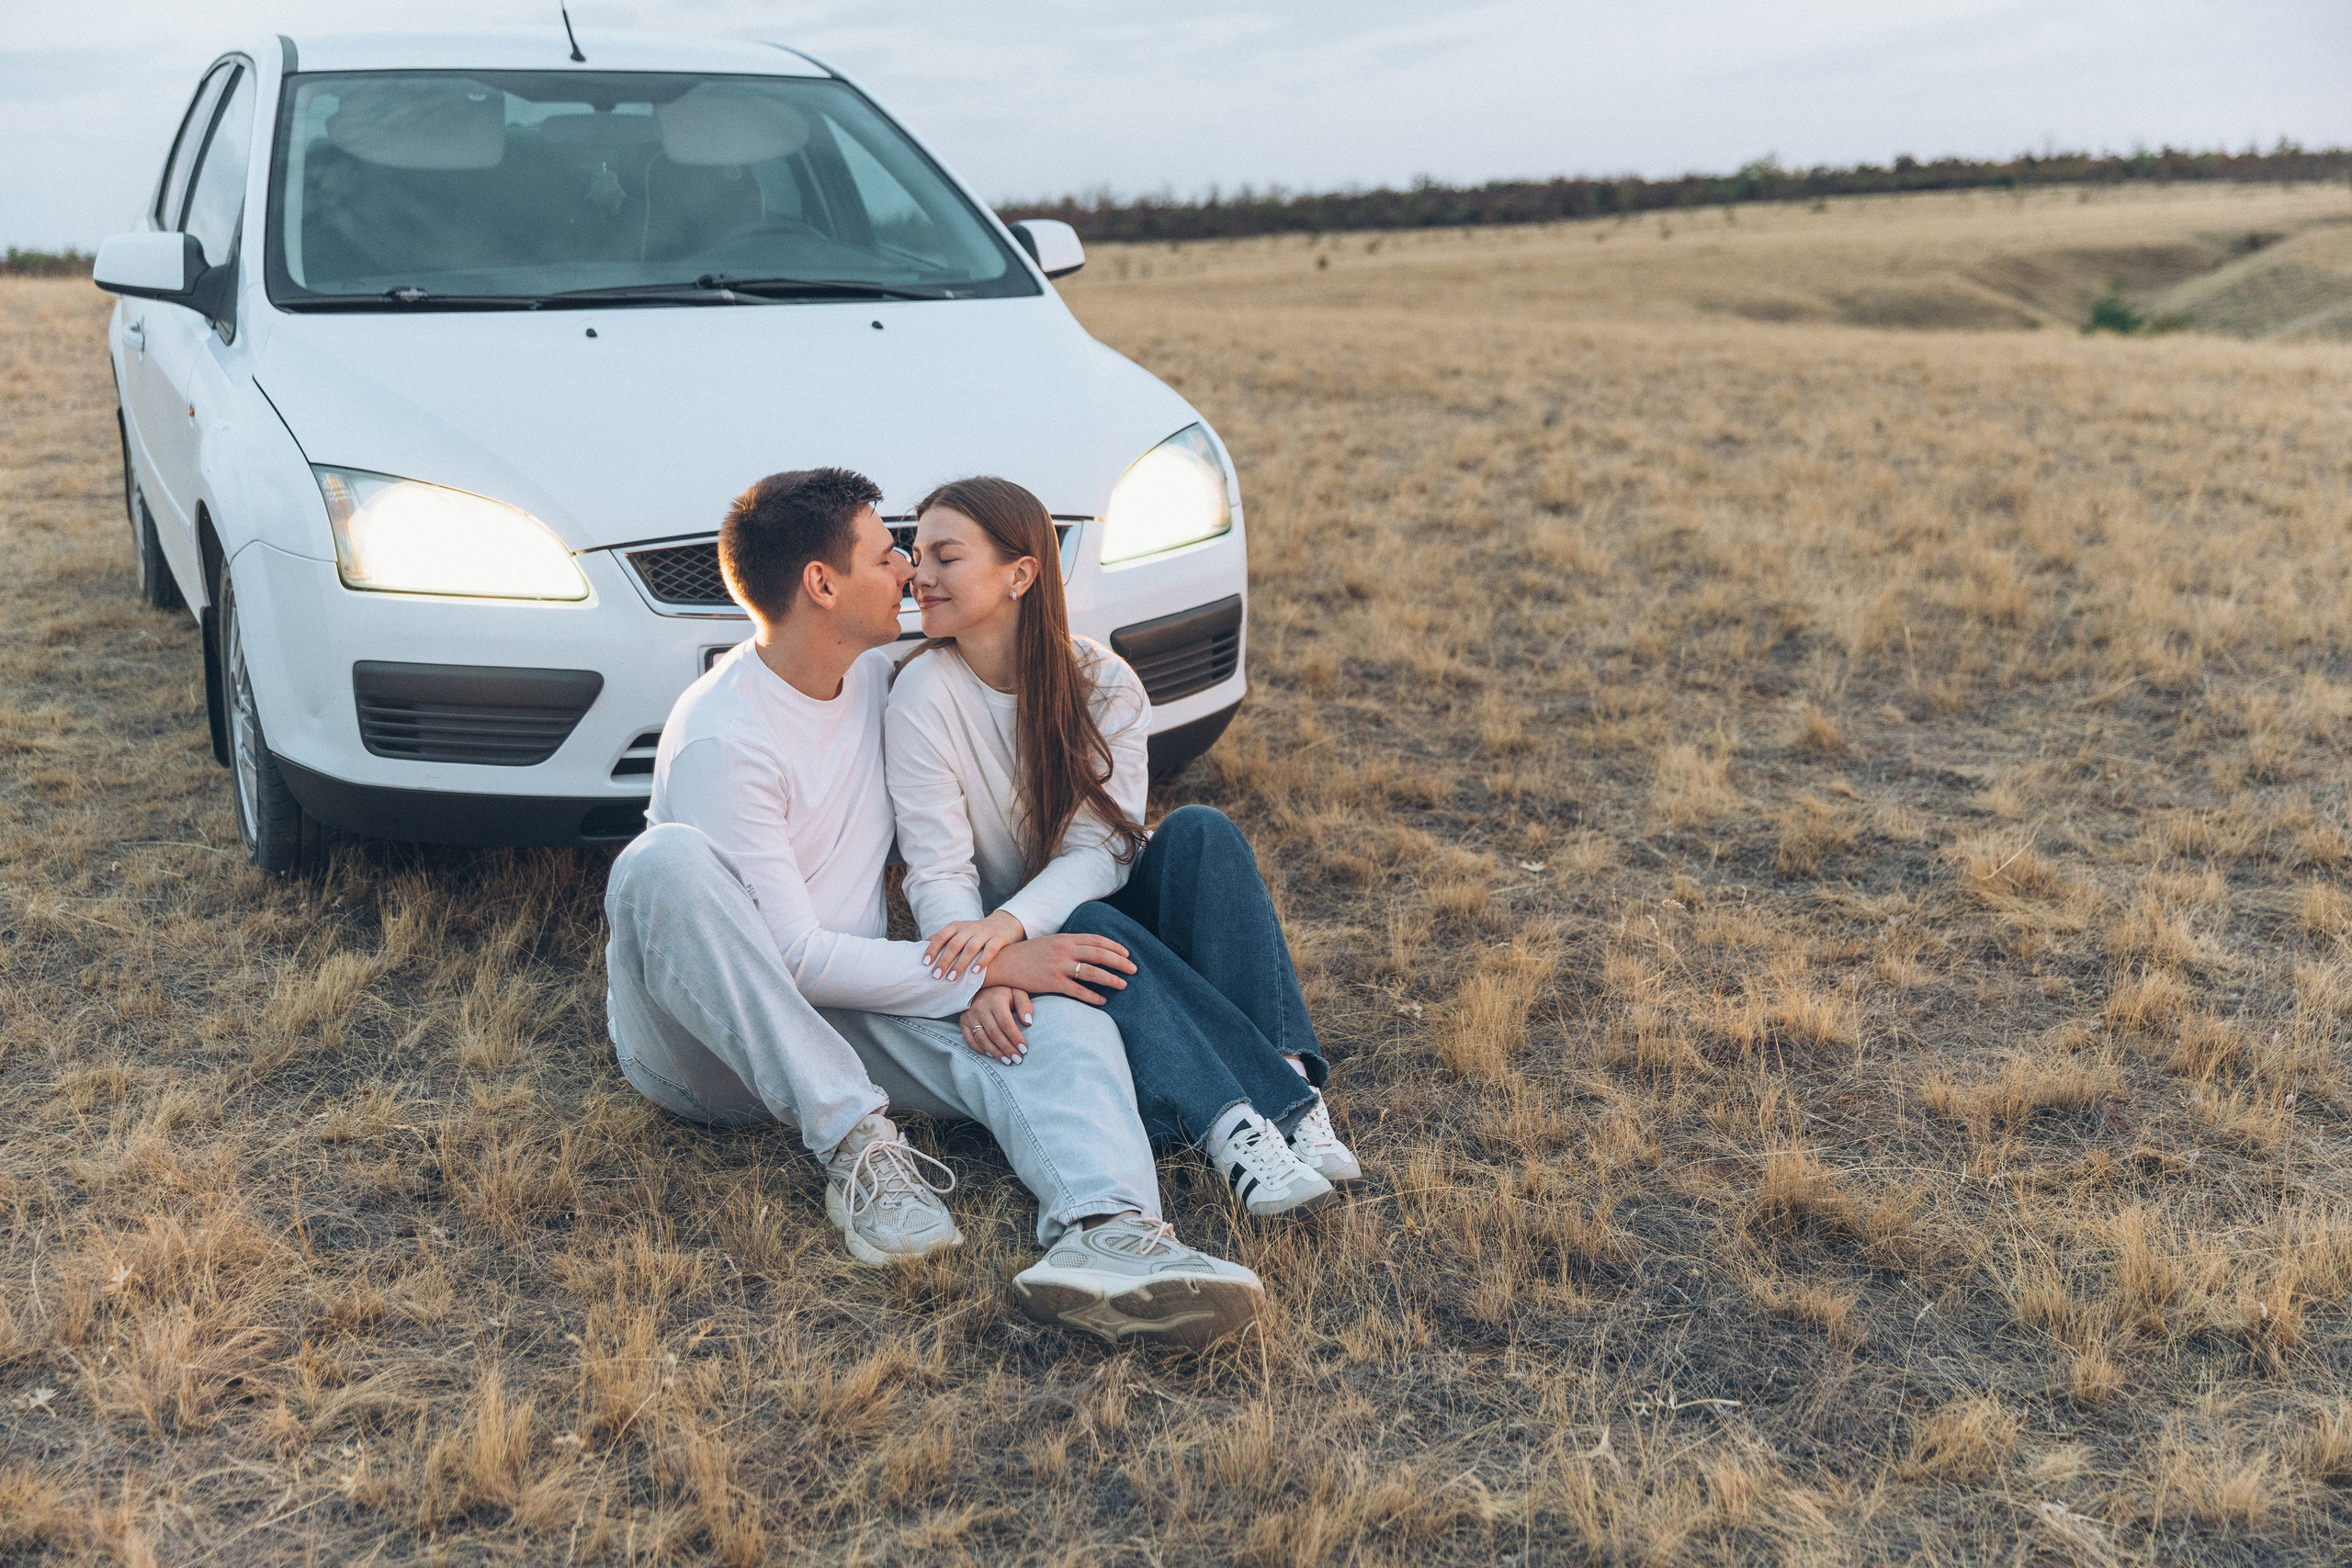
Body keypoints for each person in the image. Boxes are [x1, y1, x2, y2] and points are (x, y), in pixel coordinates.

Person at [602, 467, 1263, 1349]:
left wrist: (995, 968)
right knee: (662, 863)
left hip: (845, 1014)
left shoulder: (877, 677)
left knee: (1057, 1009)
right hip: (709, 1042)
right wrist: (984, 963)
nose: (911, 569)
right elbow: (789, 956)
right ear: (822, 585)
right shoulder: (725, 734)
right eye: (888, 554)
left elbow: (1011, 674)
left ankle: (1108, 1235)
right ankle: (858, 1146)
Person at [883, 476, 1364, 1222]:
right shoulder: (921, 695)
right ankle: (1239, 1124)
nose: (921, 575)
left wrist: (1004, 931)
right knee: (1086, 924)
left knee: (1201, 831)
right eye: (917, 556)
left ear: (1021, 573)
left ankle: (1290, 1095)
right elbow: (937, 867)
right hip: (1049, 954)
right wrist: (978, 969)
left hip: (1093, 919)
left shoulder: (1102, 681)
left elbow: (1104, 852)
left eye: (945, 556)